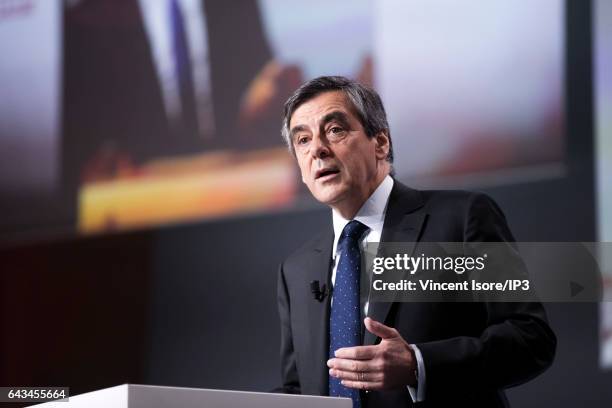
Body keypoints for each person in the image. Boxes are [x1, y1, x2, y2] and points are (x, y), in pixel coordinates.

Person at [276, 76, 556, 407]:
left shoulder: (461, 219)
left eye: (335, 130)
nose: (317, 150)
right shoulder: (296, 269)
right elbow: (300, 389)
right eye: (303, 140)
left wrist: (418, 364)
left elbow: (530, 338)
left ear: (380, 143)